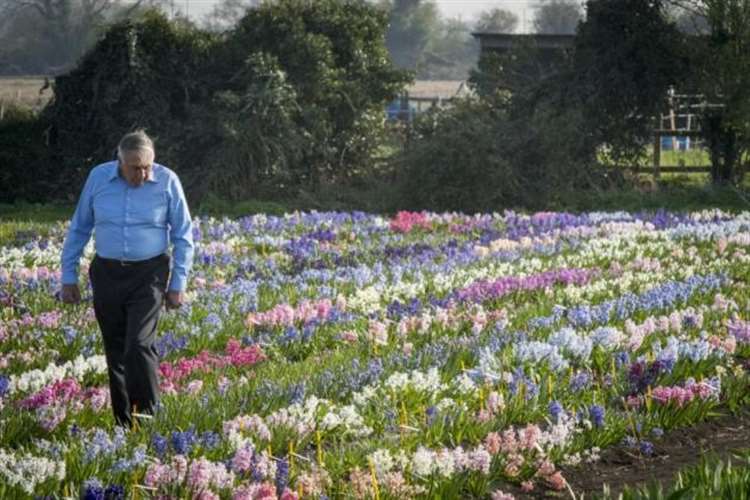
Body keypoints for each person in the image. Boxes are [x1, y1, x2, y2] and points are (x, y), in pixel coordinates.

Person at [60, 130, 194, 428]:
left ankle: (147, 418)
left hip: (149, 274)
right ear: (119, 161)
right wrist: (69, 276)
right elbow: (79, 228)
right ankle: (124, 423)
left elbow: (184, 235)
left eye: (147, 166)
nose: (143, 174)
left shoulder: (167, 181)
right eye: (135, 167)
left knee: (138, 344)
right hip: (107, 272)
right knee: (116, 349)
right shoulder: (98, 178)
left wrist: (178, 284)